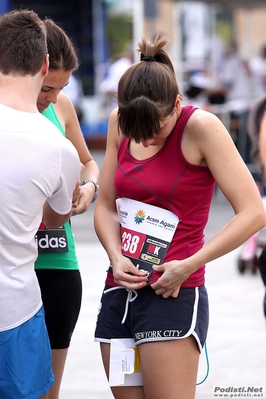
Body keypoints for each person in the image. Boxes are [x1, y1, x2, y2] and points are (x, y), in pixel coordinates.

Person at [94, 35, 266, 399]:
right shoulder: (117, 123)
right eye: (137, 130)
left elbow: (254, 212)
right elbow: (107, 205)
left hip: (173, 294)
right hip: (120, 290)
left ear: (176, 105)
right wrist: (115, 256)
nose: (148, 139)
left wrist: (190, 264)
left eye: (156, 129)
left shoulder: (202, 127)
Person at [0, 9, 81, 399]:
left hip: (34, 290)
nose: (53, 98)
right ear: (44, 63)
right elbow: (54, 217)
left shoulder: (61, 139)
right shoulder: (57, 149)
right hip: (17, 308)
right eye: (50, 87)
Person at [35, 18, 100, 399]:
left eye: (60, 89)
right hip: (14, 267)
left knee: (48, 391)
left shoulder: (62, 106)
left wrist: (89, 187)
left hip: (59, 263)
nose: (53, 97)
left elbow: (88, 162)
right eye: (47, 87)